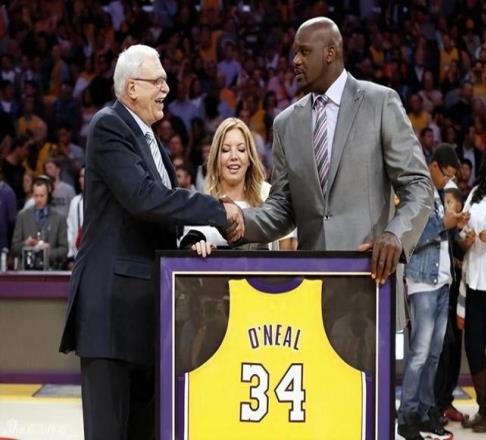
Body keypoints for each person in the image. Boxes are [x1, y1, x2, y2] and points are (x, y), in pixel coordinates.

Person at [58, 44, 240, 440]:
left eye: (165, 81)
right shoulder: (109, 125)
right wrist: (218, 210)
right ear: (131, 88)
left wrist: (193, 240)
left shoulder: (152, 141)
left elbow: (161, 219)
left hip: (144, 316)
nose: (166, 89)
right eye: (157, 81)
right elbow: (143, 198)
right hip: (111, 314)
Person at [232, 17, 433, 285]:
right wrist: (238, 219)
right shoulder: (285, 123)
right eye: (294, 53)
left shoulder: (380, 102)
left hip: (371, 278)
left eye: (304, 52)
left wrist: (396, 234)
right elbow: (282, 208)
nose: (295, 61)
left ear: (330, 53)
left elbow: (418, 184)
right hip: (311, 283)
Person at [398, 145, 466, 440]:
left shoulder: (437, 195)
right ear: (434, 166)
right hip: (423, 282)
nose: (448, 181)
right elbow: (408, 237)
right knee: (420, 354)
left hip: (441, 281)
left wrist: (454, 225)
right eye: (446, 174)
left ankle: (426, 411)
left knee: (434, 355)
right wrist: (443, 224)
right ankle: (407, 415)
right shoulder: (417, 191)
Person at [181, 117, 273, 256]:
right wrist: (196, 250)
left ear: (249, 158)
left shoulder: (268, 197)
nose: (234, 156)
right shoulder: (200, 206)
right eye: (225, 150)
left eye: (241, 149)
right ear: (216, 159)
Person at [459, 143, 486, 433]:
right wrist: (466, 240)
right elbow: (461, 230)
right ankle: (484, 408)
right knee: (473, 348)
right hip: (474, 282)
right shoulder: (475, 194)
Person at [434, 187, 466, 423]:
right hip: (439, 292)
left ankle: (446, 400)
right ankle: (435, 404)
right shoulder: (440, 224)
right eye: (444, 202)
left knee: (454, 350)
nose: (446, 206)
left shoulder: (459, 229)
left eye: (450, 202)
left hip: (459, 295)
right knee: (441, 350)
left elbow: (464, 255)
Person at [11, 176, 68, 269]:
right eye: (36, 195)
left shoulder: (59, 218)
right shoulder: (22, 216)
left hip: (51, 270)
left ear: (48, 195)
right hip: (27, 272)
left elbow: (64, 250)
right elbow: (14, 247)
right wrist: (26, 244)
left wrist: (47, 252)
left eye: (42, 196)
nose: (39, 199)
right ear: (32, 195)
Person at [66, 167, 85, 263]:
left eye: (85, 176)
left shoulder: (100, 202)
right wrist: (71, 255)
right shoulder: (75, 201)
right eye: (81, 176)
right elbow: (70, 229)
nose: (83, 179)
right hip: (76, 255)